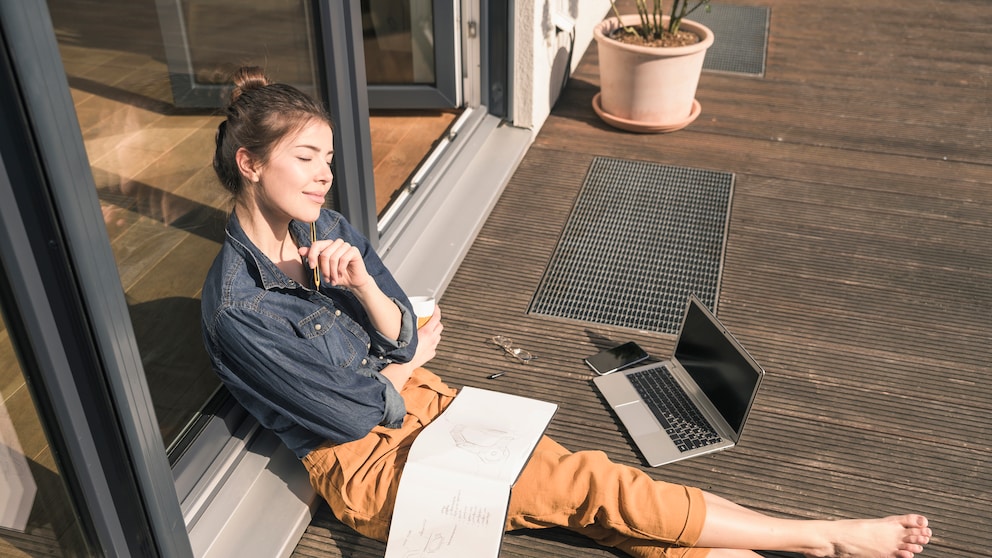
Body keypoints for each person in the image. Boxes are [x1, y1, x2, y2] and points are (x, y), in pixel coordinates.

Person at [201, 66, 932, 558]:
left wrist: (363, 286)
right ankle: (820, 536)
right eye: (306, 158)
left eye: (328, 156)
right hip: (367, 465)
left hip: (425, 403)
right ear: (251, 163)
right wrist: (413, 354)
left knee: (586, 494)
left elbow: (397, 325)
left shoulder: (325, 232)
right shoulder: (238, 306)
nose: (326, 174)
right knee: (588, 484)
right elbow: (363, 411)